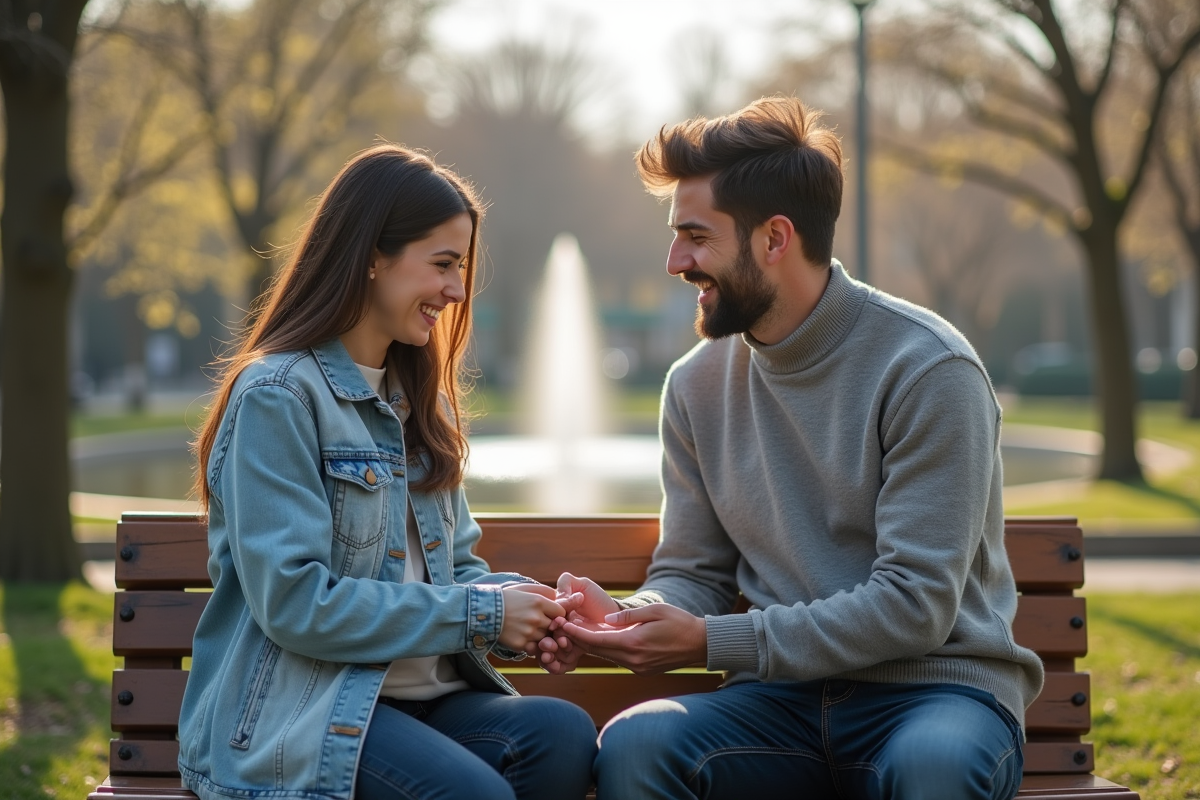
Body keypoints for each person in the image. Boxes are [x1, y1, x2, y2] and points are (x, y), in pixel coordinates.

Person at [536, 97, 1045, 800]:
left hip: (934, 695)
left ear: (775, 239)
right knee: (638, 745)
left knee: (933, 769)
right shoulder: (696, 386)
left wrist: (709, 642)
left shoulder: (927, 369)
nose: (674, 261)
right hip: (777, 704)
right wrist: (634, 613)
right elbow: (695, 571)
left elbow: (914, 606)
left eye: (695, 235)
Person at [178, 144, 597, 800]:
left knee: (561, 735)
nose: (457, 291)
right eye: (442, 265)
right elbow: (295, 603)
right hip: (306, 716)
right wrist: (481, 616)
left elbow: (456, 572)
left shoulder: (419, 403)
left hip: (421, 705)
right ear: (374, 256)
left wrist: (532, 609)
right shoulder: (278, 396)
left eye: (460, 269)